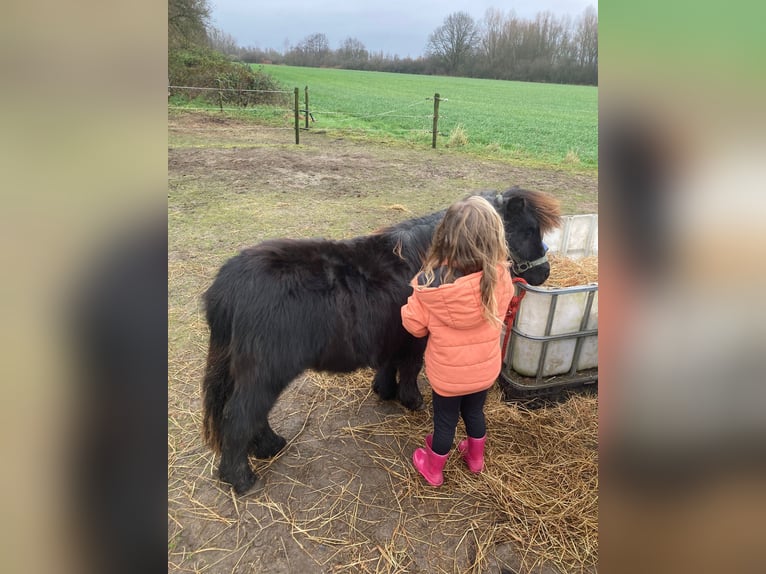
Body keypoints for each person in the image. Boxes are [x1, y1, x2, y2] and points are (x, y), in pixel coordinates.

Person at [401, 196, 514, 486]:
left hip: (448, 376)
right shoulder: (501, 277)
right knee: (475, 413)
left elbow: (413, 327)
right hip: (485, 370)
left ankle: (433, 469)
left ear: (444, 237)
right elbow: (501, 309)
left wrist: (411, 302)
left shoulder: (431, 284)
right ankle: (475, 459)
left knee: (445, 424)